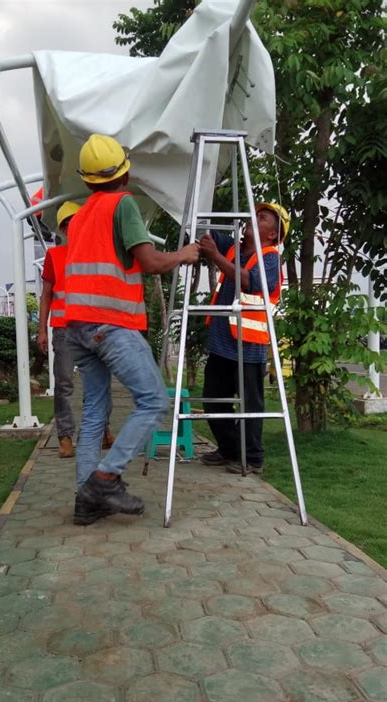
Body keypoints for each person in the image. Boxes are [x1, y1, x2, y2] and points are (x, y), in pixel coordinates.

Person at [64, 133, 200, 525]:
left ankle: (85, 500)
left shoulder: (81, 215)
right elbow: (151, 262)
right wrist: (185, 254)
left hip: (79, 328)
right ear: (125, 172)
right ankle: (105, 480)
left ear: (87, 179)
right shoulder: (122, 205)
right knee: (154, 401)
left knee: (94, 410)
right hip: (111, 325)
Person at [199, 202, 289, 474]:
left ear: (273, 234)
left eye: (261, 218)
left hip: (248, 345)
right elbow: (208, 234)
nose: (253, 219)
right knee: (213, 398)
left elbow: (249, 281)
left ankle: (252, 458)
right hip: (222, 341)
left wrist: (215, 256)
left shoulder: (270, 256)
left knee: (250, 405)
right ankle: (229, 449)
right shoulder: (233, 248)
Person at [37, 201, 115, 458]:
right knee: (65, 385)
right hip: (64, 330)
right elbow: (46, 295)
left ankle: (102, 430)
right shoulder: (54, 256)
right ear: (61, 229)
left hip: (94, 328)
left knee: (99, 382)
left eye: (77, 221)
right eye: (67, 224)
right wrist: (41, 330)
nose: (73, 227)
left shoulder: (97, 254)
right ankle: (65, 437)